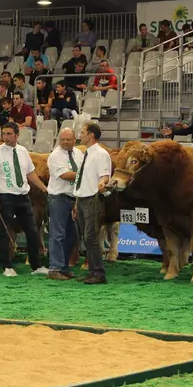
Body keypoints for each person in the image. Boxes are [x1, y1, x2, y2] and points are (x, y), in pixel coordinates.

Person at [0, 122, 49, 277]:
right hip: (5, 196)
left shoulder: (22, 152)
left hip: (23, 196)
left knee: (33, 231)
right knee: (5, 232)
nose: (6, 137)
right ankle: (7, 266)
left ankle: (36, 265)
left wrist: (44, 188)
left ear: (16, 135)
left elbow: (30, 174)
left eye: (9, 134)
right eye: (4, 134)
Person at [73, 122, 112, 284]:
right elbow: (81, 179)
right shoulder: (86, 154)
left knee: (90, 236)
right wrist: (76, 203)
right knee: (87, 236)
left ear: (91, 135)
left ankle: (98, 273)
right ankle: (93, 271)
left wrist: (103, 182)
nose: (80, 135)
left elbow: (104, 175)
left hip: (92, 199)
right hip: (82, 198)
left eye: (82, 132)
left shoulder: (101, 154)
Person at [47, 128, 83, 280]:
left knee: (71, 236)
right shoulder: (55, 156)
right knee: (57, 234)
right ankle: (54, 268)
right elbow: (65, 175)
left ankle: (64, 267)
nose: (65, 142)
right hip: (58, 198)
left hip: (73, 198)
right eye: (63, 139)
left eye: (68, 139)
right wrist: (86, 175)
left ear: (75, 140)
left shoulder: (79, 154)